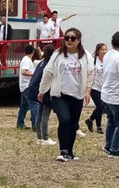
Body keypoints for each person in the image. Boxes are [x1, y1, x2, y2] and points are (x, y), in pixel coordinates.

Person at [38, 28, 94, 162]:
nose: (69, 40)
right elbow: (48, 72)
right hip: (59, 94)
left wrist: (88, 91)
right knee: (64, 120)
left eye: (73, 38)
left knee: (74, 124)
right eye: (67, 38)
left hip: (77, 94)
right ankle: (63, 151)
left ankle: (70, 151)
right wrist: (42, 90)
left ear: (78, 41)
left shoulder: (85, 55)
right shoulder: (58, 54)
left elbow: (91, 73)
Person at [29, 44, 57, 146]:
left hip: (35, 90)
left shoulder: (41, 63)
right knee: (45, 115)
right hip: (45, 91)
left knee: (39, 115)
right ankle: (45, 138)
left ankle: (39, 137)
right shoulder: (50, 65)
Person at [85, 43, 108, 134]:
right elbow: (88, 72)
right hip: (94, 87)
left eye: (106, 49)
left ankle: (90, 120)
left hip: (104, 88)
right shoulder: (93, 60)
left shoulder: (108, 60)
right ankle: (98, 126)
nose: (104, 51)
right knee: (100, 106)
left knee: (102, 107)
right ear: (98, 51)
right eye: (102, 49)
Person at [16, 44, 38, 130]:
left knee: (24, 106)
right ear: (33, 52)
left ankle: (20, 123)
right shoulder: (27, 60)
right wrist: (34, 75)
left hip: (24, 86)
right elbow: (24, 72)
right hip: (27, 85)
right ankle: (35, 124)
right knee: (34, 104)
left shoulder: (25, 59)